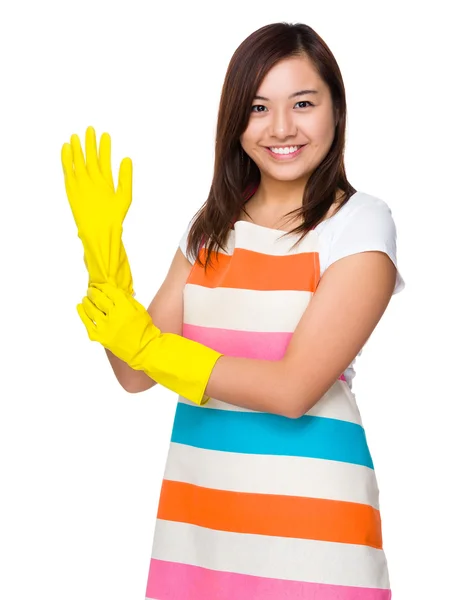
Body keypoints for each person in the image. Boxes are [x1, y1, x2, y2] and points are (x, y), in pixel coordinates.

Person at [62, 21, 404, 600]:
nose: (281, 129)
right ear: (235, 122)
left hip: (313, 535)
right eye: (258, 107)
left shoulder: (359, 225)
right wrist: (105, 267)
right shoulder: (210, 230)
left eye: (303, 103)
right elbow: (135, 374)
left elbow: (292, 390)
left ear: (335, 110)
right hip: (198, 522)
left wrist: (152, 346)